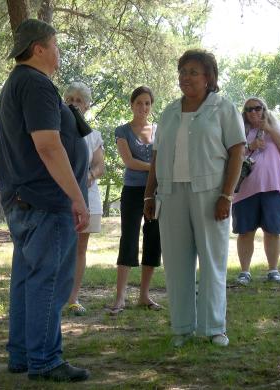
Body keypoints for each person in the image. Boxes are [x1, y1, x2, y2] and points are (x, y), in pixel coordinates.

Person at [0, 19, 90, 382]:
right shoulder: (35, 84)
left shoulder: (16, 83)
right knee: (48, 280)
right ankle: (46, 359)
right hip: (44, 202)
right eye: (55, 45)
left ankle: (21, 354)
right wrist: (76, 196)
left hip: (23, 199)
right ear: (38, 48)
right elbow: (48, 146)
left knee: (26, 278)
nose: (58, 52)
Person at [143, 49, 246, 347]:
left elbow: (237, 151)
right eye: (182, 71)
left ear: (209, 78)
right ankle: (182, 327)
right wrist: (150, 193)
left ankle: (214, 328)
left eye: (192, 72)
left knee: (213, 261)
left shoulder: (223, 108)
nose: (185, 77)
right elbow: (157, 155)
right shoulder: (169, 112)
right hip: (171, 194)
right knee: (176, 263)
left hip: (211, 194)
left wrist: (227, 194)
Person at [110, 86, 162, 315]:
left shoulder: (160, 130)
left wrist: (155, 172)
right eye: (139, 102)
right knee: (129, 239)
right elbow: (129, 161)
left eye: (147, 103)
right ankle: (120, 297)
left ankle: (144, 295)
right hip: (132, 191)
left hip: (156, 192)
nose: (143, 107)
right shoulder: (122, 131)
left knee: (153, 239)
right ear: (131, 105)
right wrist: (154, 167)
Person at [233, 97, 280, 286]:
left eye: (257, 109)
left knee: (272, 231)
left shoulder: (276, 130)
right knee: (245, 232)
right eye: (248, 110)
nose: (253, 112)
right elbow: (229, 158)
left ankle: (273, 271)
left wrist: (269, 129)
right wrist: (250, 146)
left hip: (274, 187)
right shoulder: (239, 134)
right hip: (245, 191)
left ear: (264, 110)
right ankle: (244, 272)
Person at [64, 82, 105, 315]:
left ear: (87, 106)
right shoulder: (55, 132)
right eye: (69, 99)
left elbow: (100, 166)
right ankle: (55, 296)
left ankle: (73, 298)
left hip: (88, 197)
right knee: (59, 247)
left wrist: (88, 175)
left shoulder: (93, 136)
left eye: (78, 100)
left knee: (80, 248)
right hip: (61, 198)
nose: (73, 104)